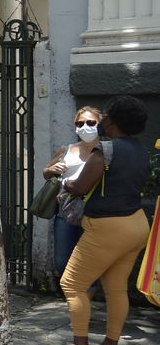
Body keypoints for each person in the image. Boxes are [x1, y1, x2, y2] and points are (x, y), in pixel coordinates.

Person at [50, 95, 151, 345]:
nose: (102, 119)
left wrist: (66, 184)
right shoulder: (141, 150)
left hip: (107, 226)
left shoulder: (105, 151)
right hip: (137, 224)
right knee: (116, 287)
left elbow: (80, 186)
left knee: (72, 283)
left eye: (105, 115)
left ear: (113, 120)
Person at [42, 107, 103, 276]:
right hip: (65, 211)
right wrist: (51, 169)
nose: (85, 127)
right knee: (62, 261)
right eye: (80, 123)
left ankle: (84, 297)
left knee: (90, 261)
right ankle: (74, 295)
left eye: (91, 122)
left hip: (94, 213)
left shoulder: (107, 150)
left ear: (100, 124)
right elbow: (46, 172)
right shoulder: (66, 149)